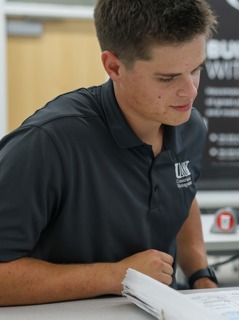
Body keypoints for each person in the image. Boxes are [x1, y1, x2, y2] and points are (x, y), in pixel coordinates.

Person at [0, 0, 218, 306]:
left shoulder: (189, 125)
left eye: (196, 69)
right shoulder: (48, 142)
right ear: (114, 66)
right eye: (167, 78)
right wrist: (117, 275)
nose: (191, 91)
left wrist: (200, 276)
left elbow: (182, 192)